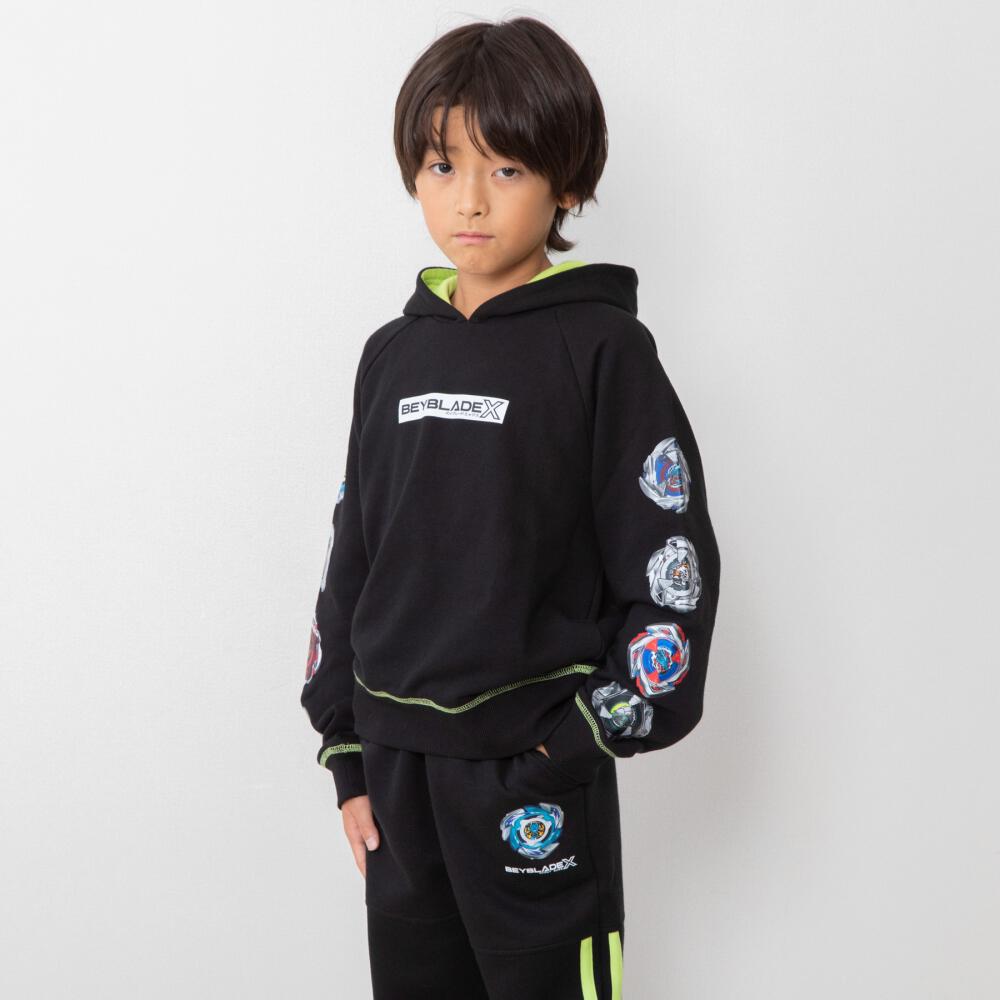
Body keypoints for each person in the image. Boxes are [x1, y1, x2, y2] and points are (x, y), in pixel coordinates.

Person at [300, 15, 722, 999]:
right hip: (398, 781)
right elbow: (353, 553)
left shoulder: (605, 354)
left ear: (566, 182)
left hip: (530, 780)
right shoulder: (392, 354)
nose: (471, 200)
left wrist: (573, 741)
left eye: (507, 168)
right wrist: (349, 754)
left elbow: (672, 572)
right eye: (443, 166)